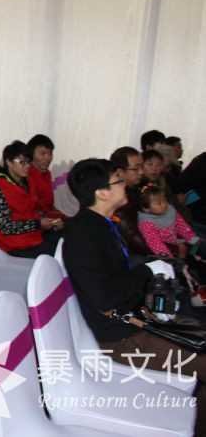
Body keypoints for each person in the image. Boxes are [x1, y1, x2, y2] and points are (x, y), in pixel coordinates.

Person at [64, 158, 206, 435]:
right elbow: (105, 298)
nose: (124, 185)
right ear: (101, 193)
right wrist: (146, 271)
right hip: (123, 338)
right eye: (118, 181)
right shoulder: (83, 237)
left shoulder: (102, 224)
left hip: (137, 320)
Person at [0, 140, 62, 258]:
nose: (27, 166)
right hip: (16, 245)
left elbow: (35, 209)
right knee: (66, 249)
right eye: (22, 162)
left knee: (70, 234)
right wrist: (38, 224)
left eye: (29, 162)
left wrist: (52, 222)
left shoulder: (26, 182)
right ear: (9, 162)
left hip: (34, 234)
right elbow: (6, 227)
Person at [137, 183, 203, 259]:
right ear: (146, 209)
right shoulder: (146, 223)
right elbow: (156, 244)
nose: (164, 204)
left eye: (165, 200)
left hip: (177, 239)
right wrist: (170, 259)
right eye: (159, 203)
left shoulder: (169, 209)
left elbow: (181, 225)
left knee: (199, 244)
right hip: (168, 248)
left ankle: (196, 256)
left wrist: (192, 238)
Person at [110, 146, 151, 257]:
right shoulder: (118, 200)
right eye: (136, 168)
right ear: (120, 172)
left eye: (142, 166)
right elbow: (136, 241)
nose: (141, 172)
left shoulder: (139, 188)